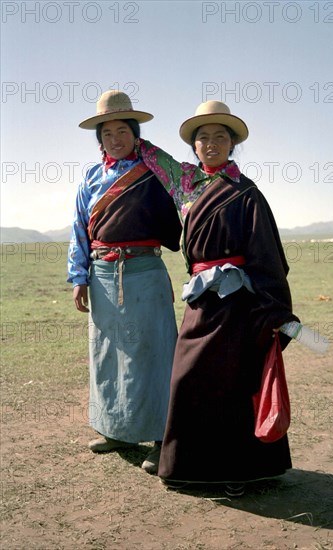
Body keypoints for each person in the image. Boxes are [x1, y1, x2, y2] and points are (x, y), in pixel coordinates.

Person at [137, 100, 299, 496]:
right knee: (188, 378)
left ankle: (239, 470)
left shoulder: (247, 193)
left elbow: (266, 253)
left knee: (231, 384)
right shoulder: (184, 184)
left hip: (238, 302)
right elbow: (149, 154)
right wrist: (123, 127)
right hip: (200, 299)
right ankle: (189, 465)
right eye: (203, 138)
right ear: (193, 147)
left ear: (232, 144)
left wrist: (273, 309)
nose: (211, 144)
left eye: (220, 138)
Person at [67, 90, 182, 475]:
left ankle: (161, 436)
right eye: (106, 133)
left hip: (144, 271)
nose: (114, 139)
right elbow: (80, 228)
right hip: (101, 274)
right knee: (107, 354)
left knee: (153, 352)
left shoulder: (156, 169)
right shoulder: (91, 176)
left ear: (135, 133)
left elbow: (190, 197)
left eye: (121, 130)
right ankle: (115, 429)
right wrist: (78, 275)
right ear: (99, 138)